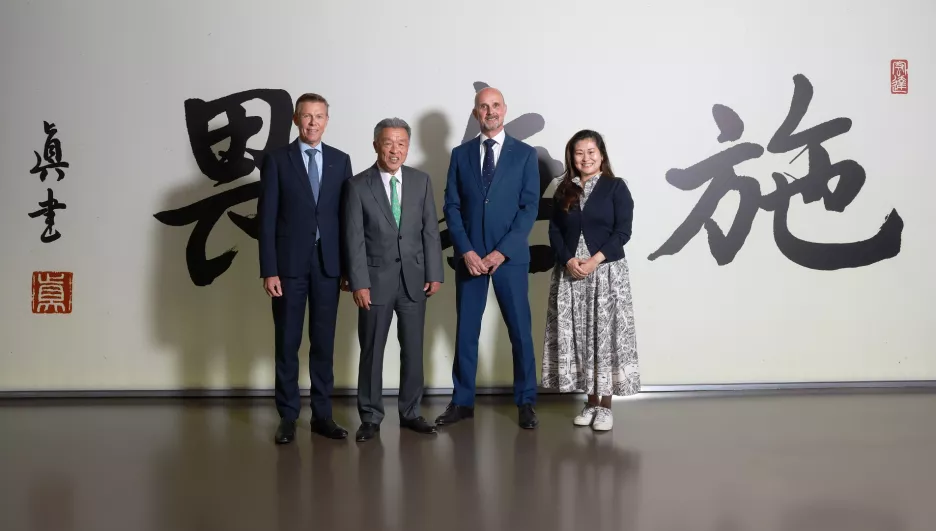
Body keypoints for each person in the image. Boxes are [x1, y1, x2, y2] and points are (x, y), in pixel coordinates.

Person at [436, 87, 541, 429]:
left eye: (495, 105)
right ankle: (462, 401)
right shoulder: (460, 154)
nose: (490, 111)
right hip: (470, 257)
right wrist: (466, 250)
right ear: (475, 113)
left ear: (505, 109)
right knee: (466, 331)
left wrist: (501, 251)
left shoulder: (525, 154)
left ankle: (526, 401)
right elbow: (452, 205)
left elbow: (529, 208)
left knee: (520, 332)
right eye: (483, 106)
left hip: (509, 258)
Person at [258, 92, 353, 444]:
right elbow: (267, 219)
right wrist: (269, 269)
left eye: (319, 116)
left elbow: (347, 220)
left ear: (327, 120)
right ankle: (287, 416)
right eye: (307, 116)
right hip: (288, 267)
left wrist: (348, 268)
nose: (313, 122)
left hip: (328, 265)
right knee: (287, 341)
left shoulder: (340, 161)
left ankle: (323, 415)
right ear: (296, 119)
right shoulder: (277, 160)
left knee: (323, 343)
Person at [342, 118, 443, 442]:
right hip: (374, 282)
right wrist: (359, 282)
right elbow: (354, 239)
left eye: (401, 143)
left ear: (408, 147)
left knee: (413, 349)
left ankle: (411, 412)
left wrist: (434, 273)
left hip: (414, 280)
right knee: (372, 350)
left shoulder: (420, 181)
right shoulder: (357, 185)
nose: (394, 150)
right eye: (388, 143)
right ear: (376, 145)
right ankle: (370, 416)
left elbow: (430, 230)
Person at [542, 129, 641, 431]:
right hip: (571, 272)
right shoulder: (564, 189)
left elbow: (623, 231)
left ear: (601, 154)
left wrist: (594, 260)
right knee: (580, 336)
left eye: (591, 152)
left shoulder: (616, 187)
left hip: (606, 273)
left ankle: (606, 407)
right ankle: (590, 401)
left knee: (605, 337)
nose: (585, 158)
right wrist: (569, 260)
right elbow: (554, 231)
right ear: (572, 157)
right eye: (579, 153)